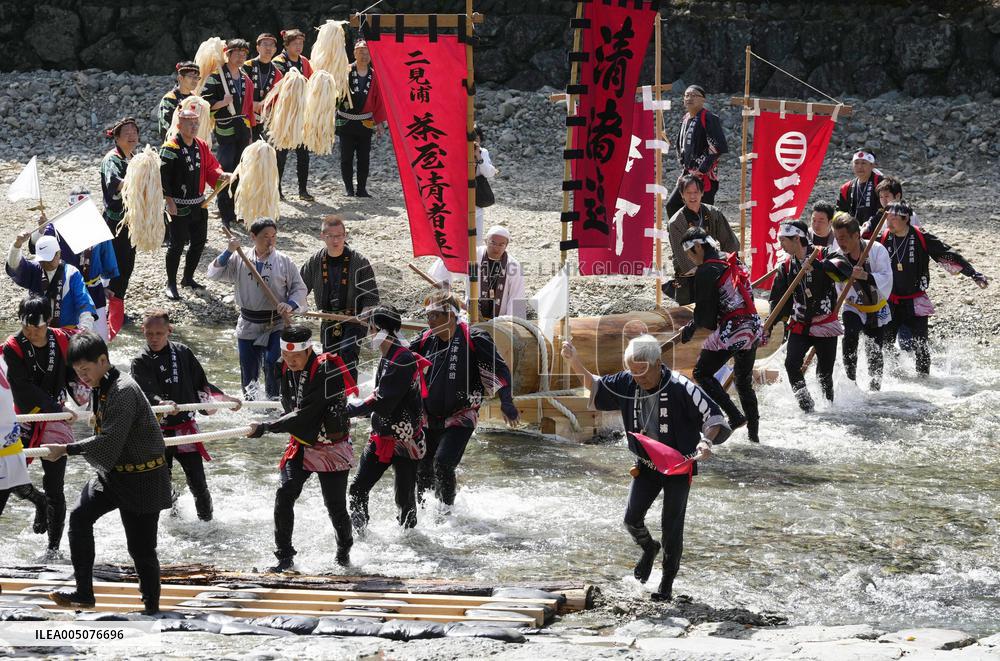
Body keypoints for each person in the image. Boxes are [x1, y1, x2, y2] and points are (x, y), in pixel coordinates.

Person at [561, 334, 728, 601]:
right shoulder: (628, 381)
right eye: (634, 372)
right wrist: (575, 361)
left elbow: (714, 416)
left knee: (671, 526)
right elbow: (596, 386)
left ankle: (666, 585)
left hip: (679, 466)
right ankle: (649, 548)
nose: (638, 378)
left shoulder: (681, 386)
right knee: (631, 519)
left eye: (643, 373)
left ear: (658, 363)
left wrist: (706, 441)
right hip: (646, 464)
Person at [43, 331, 171, 615]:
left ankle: (151, 608)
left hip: (143, 476)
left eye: (86, 370)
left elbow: (109, 441)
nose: (83, 377)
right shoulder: (102, 384)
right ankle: (84, 593)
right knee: (79, 517)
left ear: (104, 360)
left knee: (141, 550)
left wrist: (66, 449)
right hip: (113, 473)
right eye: (78, 373)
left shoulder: (124, 390)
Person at [247, 325, 356, 571]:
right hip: (301, 444)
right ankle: (284, 557)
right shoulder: (283, 366)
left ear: (309, 350)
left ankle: (343, 555)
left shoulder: (327, 371)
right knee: (284, 493)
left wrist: (266, 427)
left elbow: (307, 414)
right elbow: (290, 406)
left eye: (296, 356)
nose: (290, 361)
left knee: (335, 506)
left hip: (330, 446)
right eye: (286, 355)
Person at [410, 291, 519, 511]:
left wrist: (506, 402)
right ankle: (421, 514)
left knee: (443, 463)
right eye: (427, 315)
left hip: (461, 414)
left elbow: (501, 370)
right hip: (428, 415)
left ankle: (447, 513)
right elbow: (399, 362)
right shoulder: (424, 340)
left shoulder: (474, 338)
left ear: (450, 316)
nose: (429, 321)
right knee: (422, 467)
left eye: (434, 316)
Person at [130, 309, 242, 521]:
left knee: (198, 481)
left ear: (169, 331)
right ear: (143, 331)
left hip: (185, 428)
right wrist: (160, 403)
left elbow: (201, 384)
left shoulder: (182, 352)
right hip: (157, 431)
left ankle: (207, 521)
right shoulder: (140, 360)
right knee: (162, 481)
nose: (154, 338)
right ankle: (171, 517)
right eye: (149, 334)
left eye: (159, 333)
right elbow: (144, 392)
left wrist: (224, 398)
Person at [3, 296, 79, 556]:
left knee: (55, 484)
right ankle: (38, 501)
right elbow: (21, 389)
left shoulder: (62, 339)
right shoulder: (12, 347)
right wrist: (58, 408)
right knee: (7, 479)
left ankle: (53, 550)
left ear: (48, 321)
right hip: (24, 418)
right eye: (26, 326)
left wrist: (84, 394)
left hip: (57, 420)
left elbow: (76, 371)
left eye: (37, 326)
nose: (31, 332)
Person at [878, 201, 988, 375]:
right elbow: (862, 252)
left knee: (921, 345)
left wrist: (972, 273)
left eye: (893, 218)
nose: (888, 222)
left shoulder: (921, 237)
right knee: (885, 343)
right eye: (887, 218)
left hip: (915, 301)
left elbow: (947, 253)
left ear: (905, 218)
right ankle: (894, 377)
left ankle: (925, 380)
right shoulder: (882, 238)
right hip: (890, 300)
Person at [207, 218, 307, 400]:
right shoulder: (239, 257)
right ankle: (251, 405)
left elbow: (299, 289)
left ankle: (274, 401)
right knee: (248, 368)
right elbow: (213, 273)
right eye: (265, 236)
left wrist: (290, 304)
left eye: (274, 236)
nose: (270, 240)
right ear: (253, 236)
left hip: (276, 322)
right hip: (248, 322)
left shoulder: (285, 261)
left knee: (273, 362)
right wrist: (228, 251)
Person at [678, 228, 762, 443]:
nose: (690, 259)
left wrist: (689, 329)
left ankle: (734, 416)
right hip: (752, 326)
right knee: (743, 383)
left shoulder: (707, 270)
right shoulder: (732, 260)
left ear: (698, 247)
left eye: (689, 253)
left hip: (734, 328)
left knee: (702, 372)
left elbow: (705, 317)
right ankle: (754, 437)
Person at [347, 307, 428, 532]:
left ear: (380, 330)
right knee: (358, 488)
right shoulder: (388, 356)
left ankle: (411, 543)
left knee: (404, 499)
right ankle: (359, 535)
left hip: (405, 441)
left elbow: (383, 401)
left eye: (370, 329)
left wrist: (350, 411)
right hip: (382, 435)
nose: (368, 334)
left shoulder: (402, 359)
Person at [769, 220, 851, 411]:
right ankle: (807, 406)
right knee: (791, 365)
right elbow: (778, 300)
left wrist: (820, 267)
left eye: (783, 240)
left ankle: (830, 409)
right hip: (800, 324)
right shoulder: (787, 266)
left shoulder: (824, 253)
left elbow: (845, 273)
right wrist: (769, 325)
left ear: (797, 239)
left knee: (824, 375)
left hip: (825, 324)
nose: (780, 244)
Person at [160, 108, 231, 300]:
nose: (193, 126)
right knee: (176, 245)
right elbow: (163, 177)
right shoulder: (170, 148)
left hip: (199, 203)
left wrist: (221, 175)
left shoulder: (201, 145)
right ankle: (171, 283)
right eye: (189, 123)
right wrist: (169, 201)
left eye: (196, 123)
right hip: (179, 204)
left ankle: (188, 278)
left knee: (198, 242)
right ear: (179, 125)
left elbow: (210, 168)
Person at [299, 215, 380, 377]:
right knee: (330, 360)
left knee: (348, 352)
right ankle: (335, 399)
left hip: (354, 318)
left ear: (345, 236)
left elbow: (371, 296)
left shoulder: (359, 261)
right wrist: (298, 305)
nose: (335, 240)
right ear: (322, 236)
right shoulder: (315, 261)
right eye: (330, 236)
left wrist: (365, 313)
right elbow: (300, 288)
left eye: (339, 236)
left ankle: (351, 397)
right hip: (328, 318)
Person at [831, 214, 893, 391]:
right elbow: (834, 285)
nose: (840, 242)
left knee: (874, 347)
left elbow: (887, 278)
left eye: (843, 238)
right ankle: (851, 383)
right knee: (849, 337)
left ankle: (875, 387)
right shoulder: (837, 256)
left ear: (856, 235)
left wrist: (864, 275)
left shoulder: (877, 250)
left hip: (876, 306)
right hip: (853, 305)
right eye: (836, 238)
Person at [202, 38, 255, 231]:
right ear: (228, 53)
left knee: (240, 171)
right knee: (225, 169)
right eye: (237, 53)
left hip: (242, 126)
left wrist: (249, 132)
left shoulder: (245, 78)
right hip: (225, 128)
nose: (241, 57)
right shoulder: (216, 77)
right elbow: (204, 104)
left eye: (244, 54)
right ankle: (224, 213)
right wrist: (222, 103)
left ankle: (234, 213)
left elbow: (248, 108)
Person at [664, 174, 739, 305]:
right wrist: (708, 270)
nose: (693, 197)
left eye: (696, 192)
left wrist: (729, 265)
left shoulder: (713, 212)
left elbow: (729, 242)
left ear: (702, 193)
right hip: (689, 275)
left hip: (714, 268)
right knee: (690, 316)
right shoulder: (675, 222)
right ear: (682, 195)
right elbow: (682, 256)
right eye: (688, 193)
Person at [429, 225, 527, 320]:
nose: (496, 248)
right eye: (493, 243)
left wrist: (511, 324)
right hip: (471, 315)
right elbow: (445, 263)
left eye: (501, 244)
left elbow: (517, 297)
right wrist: (449, 292)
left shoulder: (514, 266)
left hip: (500, 321)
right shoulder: (472, 255)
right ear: (486, 241)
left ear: (506, 245)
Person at [7, 233, 96, 331]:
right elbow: (14, 266)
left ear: (59, 253)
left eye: (49, 259)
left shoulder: (71, 273)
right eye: (42, 260)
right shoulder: (34, 269)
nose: (45, 263)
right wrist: (16, 246)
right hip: (38, 332)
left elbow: (83, 302)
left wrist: (85, 328)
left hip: (66, 332)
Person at [100, 117, 140, 328]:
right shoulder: (112, 159)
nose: (132, 135)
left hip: (130, 220)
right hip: (115, 221)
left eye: (134, 131)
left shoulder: (134, 158)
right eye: (127, 133)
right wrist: (141, 182)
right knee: (115, 266)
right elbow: (115, 183)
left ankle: (117, 309)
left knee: (127, 265)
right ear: (116, 138)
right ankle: (109, 311)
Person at [665, 85, 728, 218]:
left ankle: (704, 237)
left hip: (704, 175)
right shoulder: (685, 119)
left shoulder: (710, 118)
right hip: (687, 174)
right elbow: (680, 145)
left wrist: (702, 168)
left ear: (703, 100)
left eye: (694, 95)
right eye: (687, 95)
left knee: (704, 213)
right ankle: (683, 236)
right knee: (673, 206)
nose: (689, 98)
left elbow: (719, 146)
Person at [0, 348, 45, 530]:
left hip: (6, 451)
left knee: (16, 486)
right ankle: (41, 501)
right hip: (8, 448)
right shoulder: (3, 360)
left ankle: (42, 502)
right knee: (18, 487)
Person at [336, 40, 385, 198]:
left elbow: (379, 101)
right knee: (346, 157)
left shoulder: (375, 75)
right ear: (354, 53)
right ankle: (349, 189)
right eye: (361, 52)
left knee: (364, 157)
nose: (364, 55)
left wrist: (379, 123)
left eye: (367, 52)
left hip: (365, 121)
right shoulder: (344, 71)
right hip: (346, 120)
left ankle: (362, 189)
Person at [272, 29, 314, 201]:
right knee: (280, 154)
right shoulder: (278, 62)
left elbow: (312, 84)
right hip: (284, 115)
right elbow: (276, 87)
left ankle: (302, 190)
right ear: (286, 45)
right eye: (295, 43)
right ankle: (277, 189)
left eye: (301, 43)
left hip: (302, 113)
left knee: (303, 154)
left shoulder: (304, 62)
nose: (299, 46)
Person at [244, 33, 282, 141]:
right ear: (258, 47)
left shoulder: (277, 73)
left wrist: (265, 104)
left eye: (271, 45)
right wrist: (252, 103)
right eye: (265, 44)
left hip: (263, 117)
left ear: (275, 50)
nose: (268, 48)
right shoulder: (246, 66)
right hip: (245, 115)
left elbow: (277, 96)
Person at [836, 149, 883, 230]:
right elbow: (840, 211)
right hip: (853, 233)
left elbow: (886, 208)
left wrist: (870, 224)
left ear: (872, 165)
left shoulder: (881, 183)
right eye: (856, 163)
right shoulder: (846, 188)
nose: (859, 167)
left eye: (864, 163)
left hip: (877, 231)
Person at [157, 61, 199, 142]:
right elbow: (169, 126)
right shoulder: (169, 99)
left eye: (197, 77)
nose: (195, 81)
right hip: (174, 145)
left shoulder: (195, 99)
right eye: (191, 77)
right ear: (180, 78)